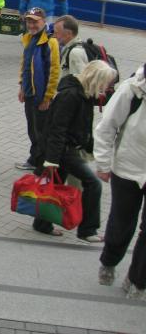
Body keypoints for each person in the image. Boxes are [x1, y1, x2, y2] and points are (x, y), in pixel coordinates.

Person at [33, 60, 117, 240]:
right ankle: (88, 230)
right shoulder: (71, 96)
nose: (105, 88)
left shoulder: (82, 92)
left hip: (64, 148)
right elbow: (57, 128)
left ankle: (42, 224)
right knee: (93, 184)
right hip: (63, 150)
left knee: (55, 186)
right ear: (96, 80)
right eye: (105, 83)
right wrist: (51, 160)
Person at [94, 63, 146, 300]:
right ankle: (109, 261)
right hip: (128, 168)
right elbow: (106, 127)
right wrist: (103, 164)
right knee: (122, 221)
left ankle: (137, 280)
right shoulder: (132, 90)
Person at [16, 7, 60, 171]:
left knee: (41, 132)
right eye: (29, 21)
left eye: (35, 22)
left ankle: (42, 165)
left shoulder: (50, 42)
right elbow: (25, 65)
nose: (31, 25)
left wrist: (48, 97)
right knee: (32, 130)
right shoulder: (29, 38)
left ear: (43, 21)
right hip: (29, 93)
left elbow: (54, 71)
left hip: (41, 96)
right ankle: (35, 159)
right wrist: (22, 86)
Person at [53, 15, 89, 80]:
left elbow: (80, 81)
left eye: (56, 33)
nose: (54, 36)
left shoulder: (75, 53)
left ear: (68, 34)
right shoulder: (69, 49)